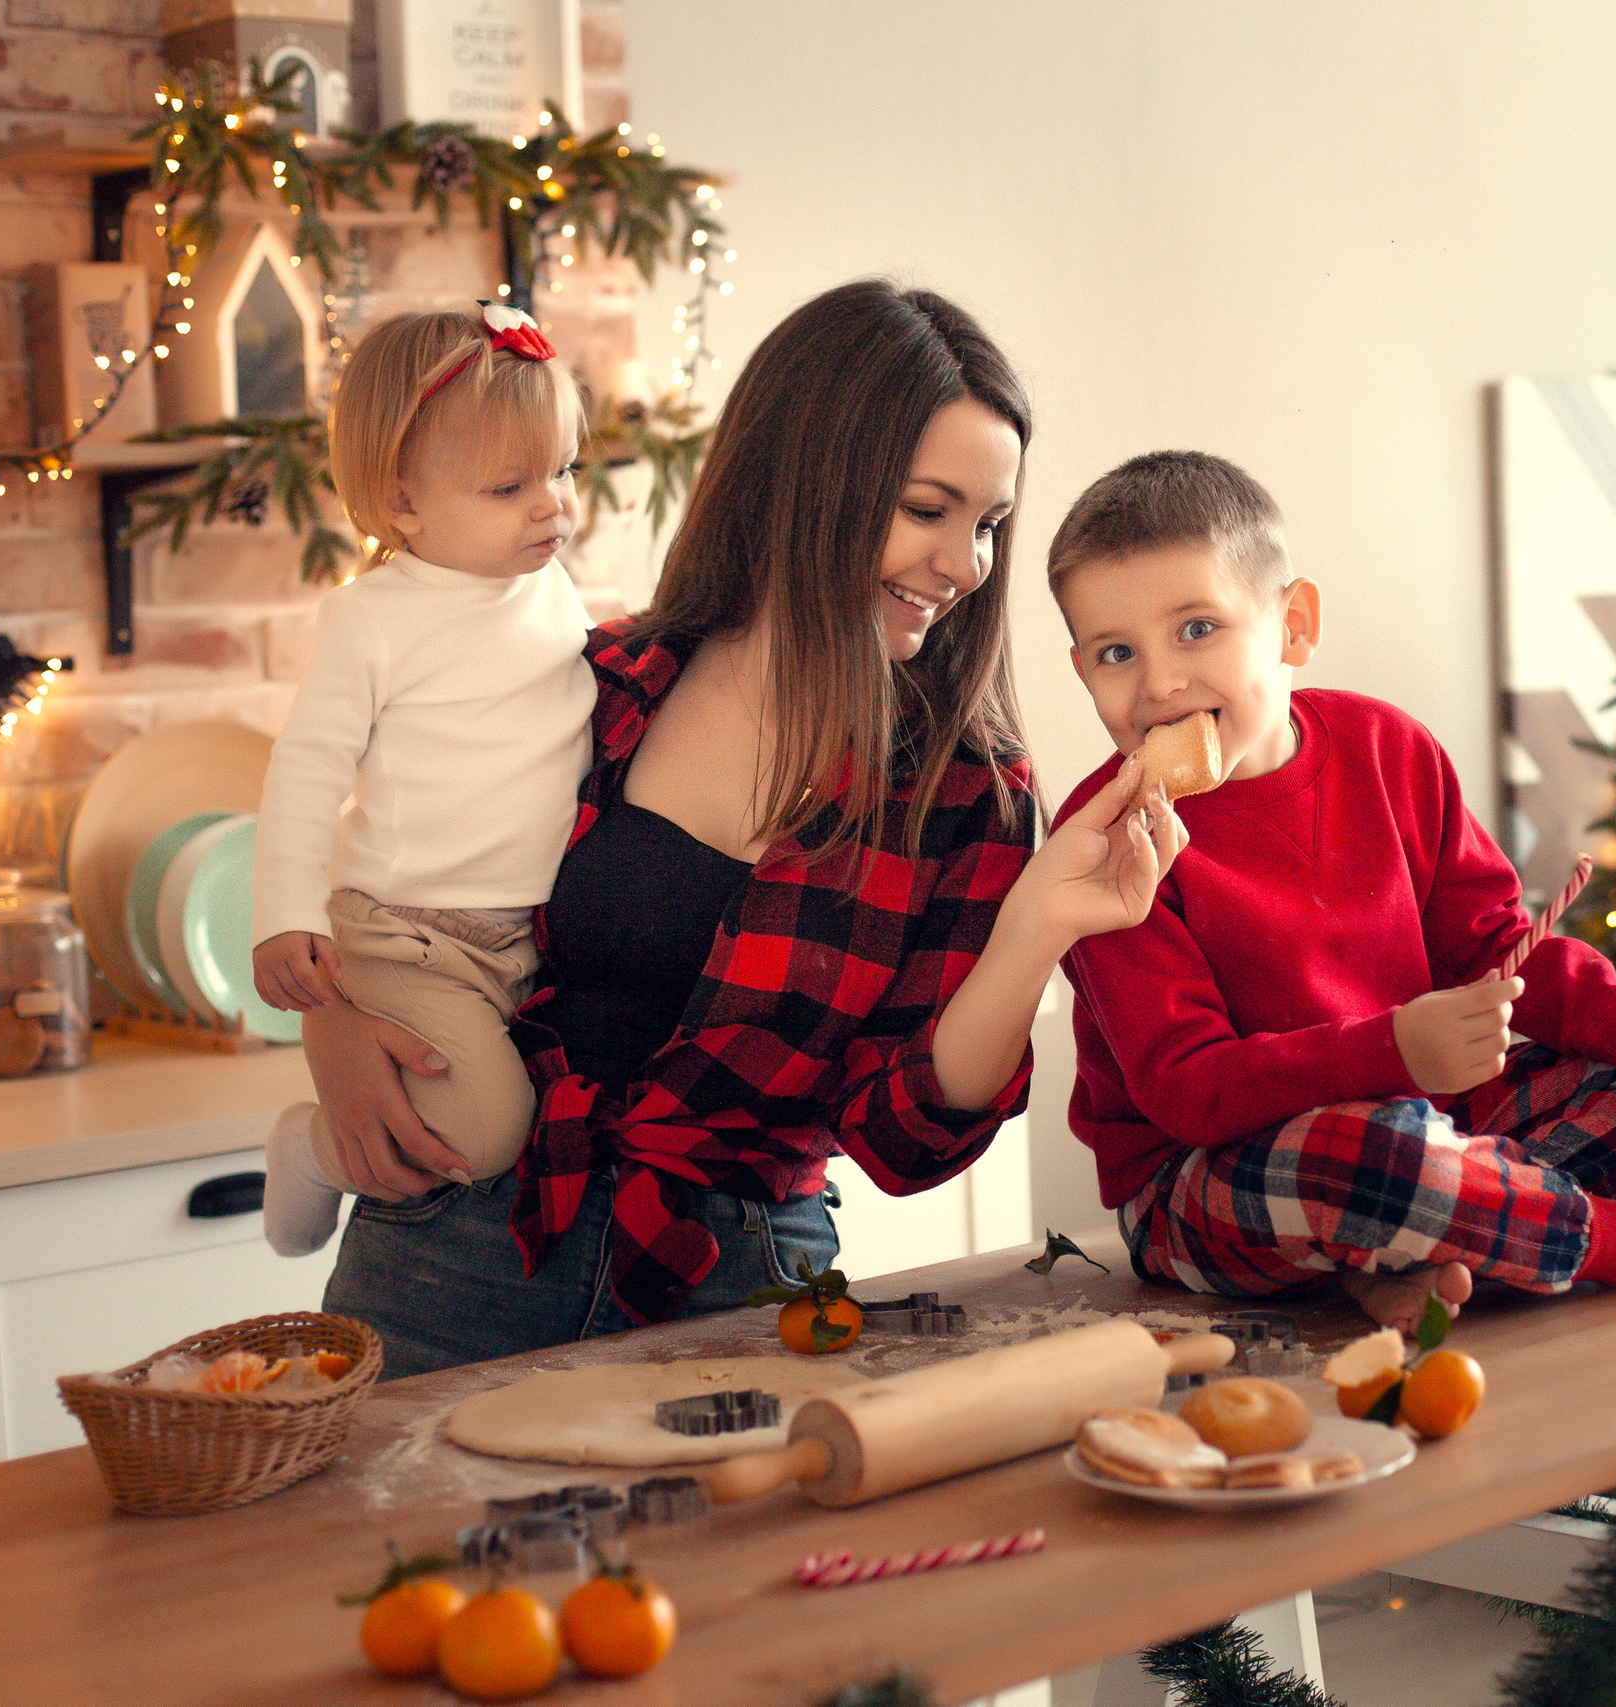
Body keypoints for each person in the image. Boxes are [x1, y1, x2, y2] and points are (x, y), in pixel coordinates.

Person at [299, 281, 1185, 1378]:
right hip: (456, 1240)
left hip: (738, 1288)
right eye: (927, 510)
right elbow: (404, 869)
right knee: (389, 1553)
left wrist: (1033, 934)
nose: (965, 566)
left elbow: (906, 1141)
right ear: (807, 479)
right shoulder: (598, 681)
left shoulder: (967, 789)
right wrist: (331, 1024)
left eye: (988, 525)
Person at [1045, 451, 1616, 1334]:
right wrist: (1392, 1048)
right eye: (1117, 653)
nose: (1158, 683)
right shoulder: (1103, 839)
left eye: (1197, 629)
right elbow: (1185, 1090)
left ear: (1293, 626)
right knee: (1377, 1159)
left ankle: (1418, 1250)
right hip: (1206, 1183)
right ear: (1084, 671)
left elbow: (1499, 949)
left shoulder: (1389, 749)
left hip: (1433, 1124)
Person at [249, 303, 592, 1260]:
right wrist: (285, 913)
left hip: (532, 932)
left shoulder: (553, 587)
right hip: (413, 935)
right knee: (483, 1134)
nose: (552, 505)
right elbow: (308, 767)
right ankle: (312, 1148)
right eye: (509, 485)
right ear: (403, 502)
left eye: (564, 470)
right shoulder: (375, 618)